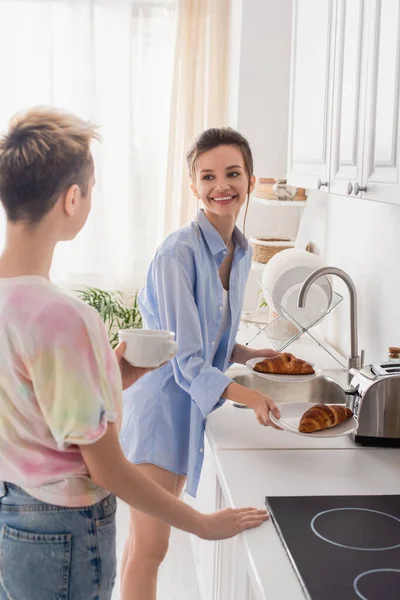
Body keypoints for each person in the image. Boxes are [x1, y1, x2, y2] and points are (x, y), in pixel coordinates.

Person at [0, 109, 269, 600]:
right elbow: (103, 465)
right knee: (147, 552)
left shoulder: (18, 303)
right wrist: (204, 525)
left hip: (16, 513)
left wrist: (115, 372)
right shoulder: (64, 316)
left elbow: (40, 406)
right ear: (73, 198)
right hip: (65, 526)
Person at [120, 127, 283, 600]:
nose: (221, 186)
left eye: (232, 173)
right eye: (208, 176)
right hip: (159, 413)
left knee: (144, 546)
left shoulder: (242, 249)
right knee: (150, 548)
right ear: (193, 185)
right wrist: (248, 394)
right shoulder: (179, 253)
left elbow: (206, 330)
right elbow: (187, 358)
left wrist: (244, 353)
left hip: (186, 408)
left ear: (250, 180)